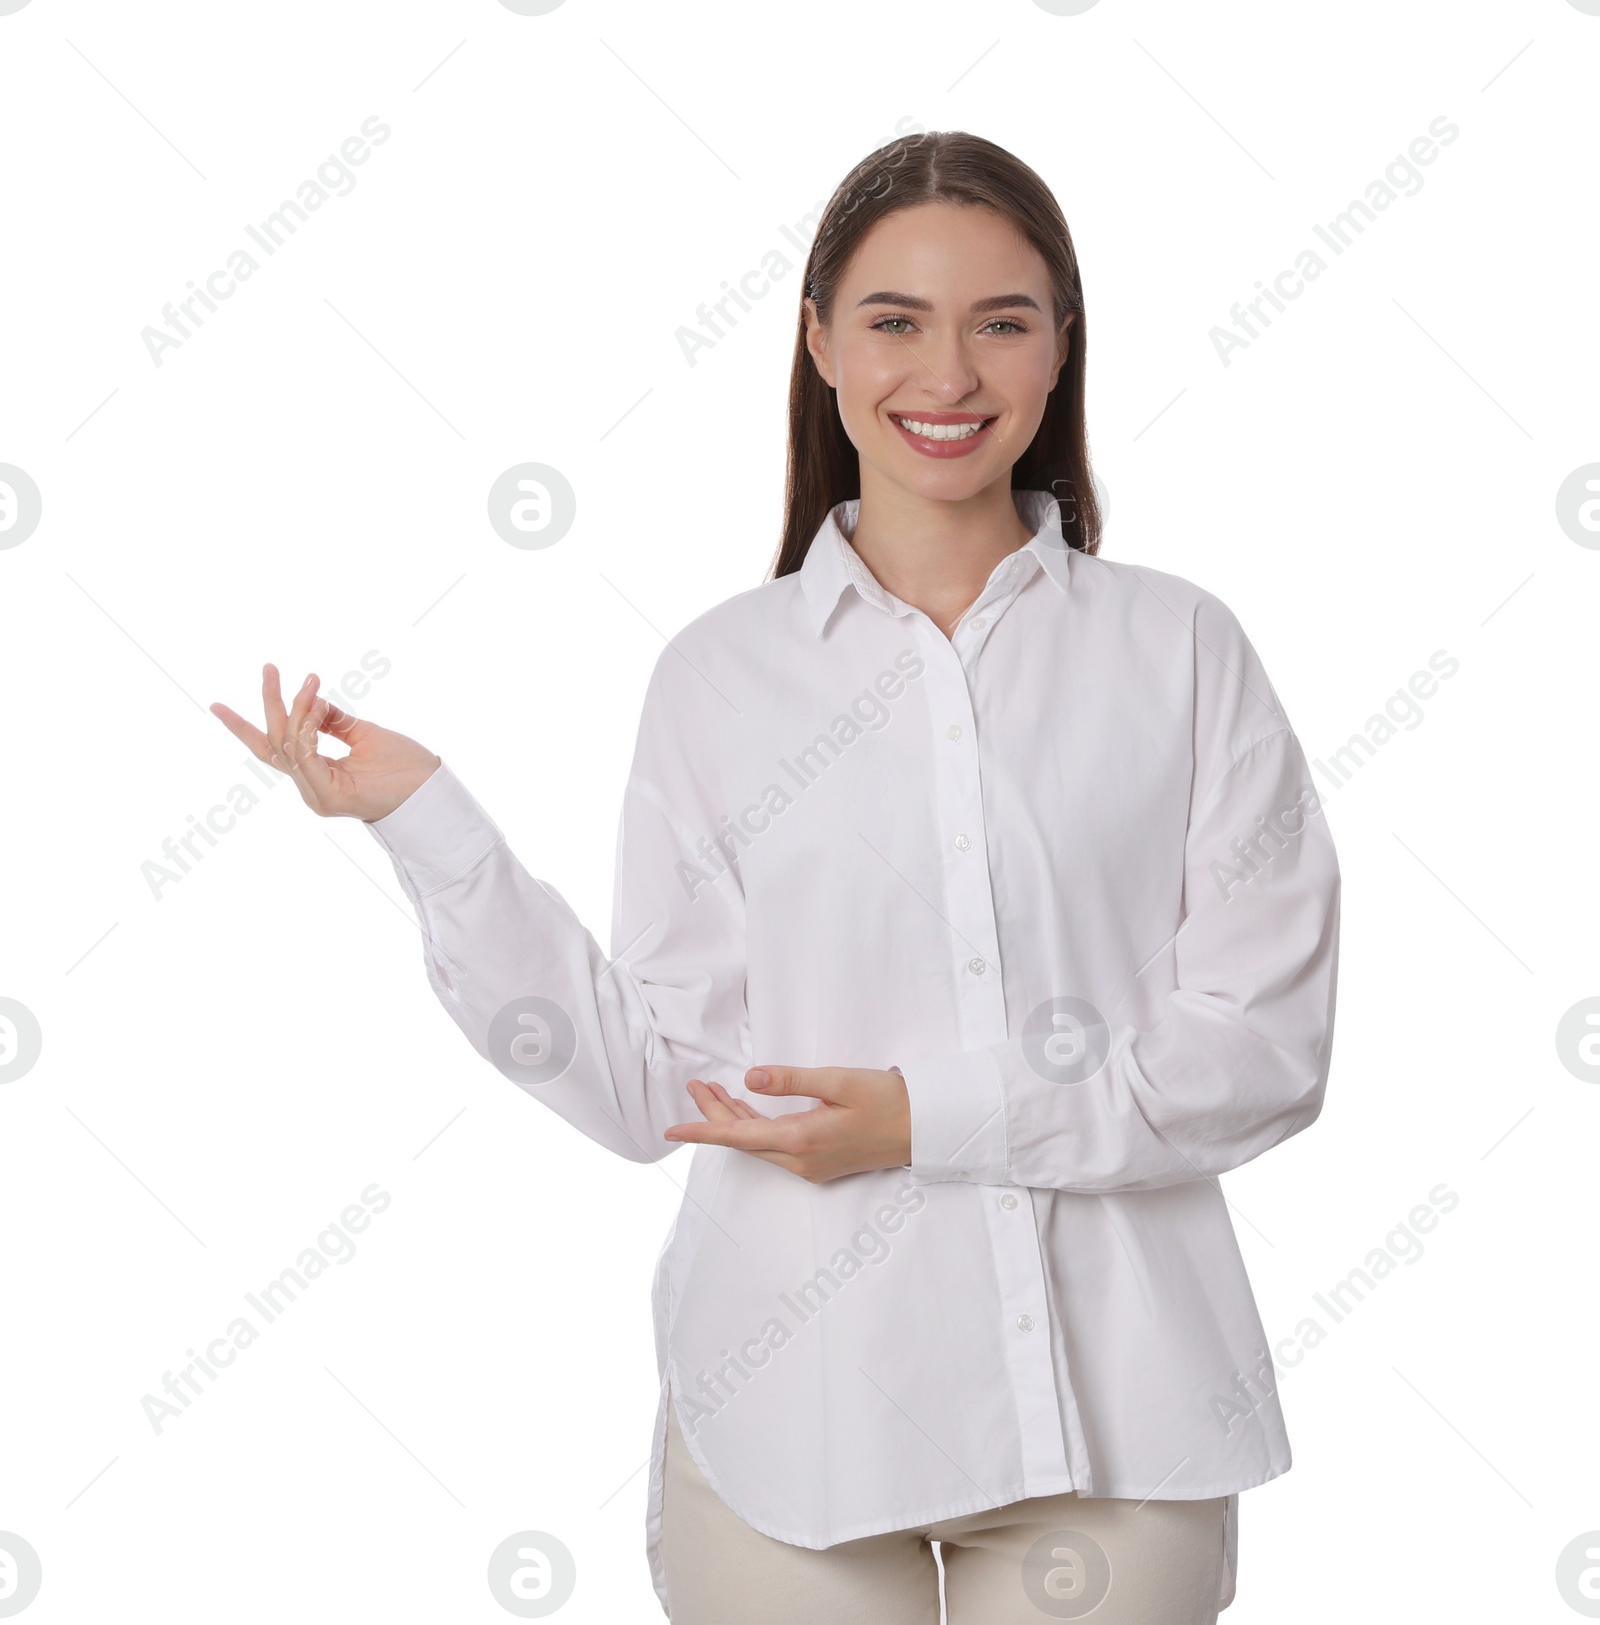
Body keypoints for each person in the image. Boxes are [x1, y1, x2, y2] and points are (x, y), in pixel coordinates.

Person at [212, 130, 1341, 1624]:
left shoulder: (1182, 653)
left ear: (1062, 347)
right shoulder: (718, 680)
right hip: (794, 1414)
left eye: (1001, 320)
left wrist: (920, 1118)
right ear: (817, 339)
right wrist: (425, 821)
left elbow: (1260, 1053)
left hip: (1117, 1418)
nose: (947, 374)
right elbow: (649, 1085)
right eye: (893, 321)